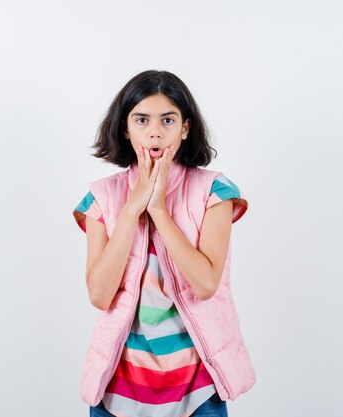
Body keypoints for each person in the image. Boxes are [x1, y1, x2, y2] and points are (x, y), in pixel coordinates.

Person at [72, 70, 256, 417]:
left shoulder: (215, 192)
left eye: (167, 119)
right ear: (126, 128)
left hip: (197, 389)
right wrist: (130, 210)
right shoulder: (100, 198)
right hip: (117, 391)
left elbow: (204, 284)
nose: (155, 131)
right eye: (142, 119)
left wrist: (157, 209)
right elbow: (99, 295)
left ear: (184, 128)